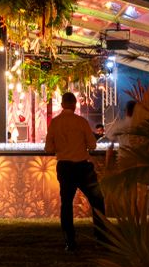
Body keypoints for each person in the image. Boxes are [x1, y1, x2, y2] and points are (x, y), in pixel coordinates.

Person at [44, 91, 108, 252]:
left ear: (62, 105)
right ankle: (101, 238)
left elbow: (48, 148)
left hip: (64, 167)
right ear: (74, 105)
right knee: (97, 201)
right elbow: (93, 145)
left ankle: (70, 241)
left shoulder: (55, 123)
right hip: (82, 167)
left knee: (66, 203)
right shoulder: (81, 122)